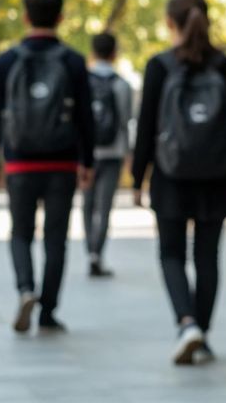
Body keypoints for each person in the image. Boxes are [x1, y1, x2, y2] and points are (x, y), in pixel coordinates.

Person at [131, 0, 226, 365]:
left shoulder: (159, 65)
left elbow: (147, 127)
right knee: (207, 257)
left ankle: (186, 324)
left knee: (170, 253)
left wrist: (137, 178)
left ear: (170, 23)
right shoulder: (225, 66)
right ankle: (203, 332)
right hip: (218, 177)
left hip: (170, 175)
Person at [0, 0, 94, 333]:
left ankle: (25, 289)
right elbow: (85, 118)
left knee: (20, 233)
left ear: (26, 16)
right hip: (61, 163)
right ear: (61, 18)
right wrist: (86, 162)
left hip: (19, 162)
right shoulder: (73, 61)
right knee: (56, 239)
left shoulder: (7, 60)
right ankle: (47, 312)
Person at [84, 32, 133, 278]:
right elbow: (125, 121)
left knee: (87, 205)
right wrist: (129, 154)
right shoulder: (121, 84)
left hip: (87, 153)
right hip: (113, 152)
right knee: (104, 207)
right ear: (115, 52)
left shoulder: (83, 81)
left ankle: (89, 250)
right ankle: (97, 253)